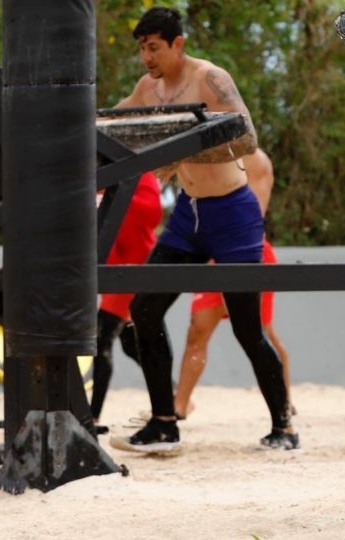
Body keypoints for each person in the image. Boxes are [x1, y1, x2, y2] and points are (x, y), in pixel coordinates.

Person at [108, 7, 296, 455]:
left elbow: (245, 139)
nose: (146, 57)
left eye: (153, 47)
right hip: (188, 216)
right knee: (145, 308)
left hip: (232, 213)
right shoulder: (148, 86)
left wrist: (176, 152)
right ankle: (164, 423)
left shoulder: (209, 79)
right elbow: (115, 122)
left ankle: (283, 426)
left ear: (178, 43)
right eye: (141, 49)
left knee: (248, 329)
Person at [173, 148, 295, 420]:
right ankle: (180, 405)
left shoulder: (255, 160)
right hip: (216, 251)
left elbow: (251, 215)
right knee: (197, 331)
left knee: (259, 333)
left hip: (245, 250)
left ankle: (283, 404)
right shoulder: (208, 157)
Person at [90, 172, 163, 423]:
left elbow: (149, 214)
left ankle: (93, 417)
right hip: (122, 262)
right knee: (132, 343)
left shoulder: (139, 174)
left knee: (102, 340)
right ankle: (173, 393)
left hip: (130, 263)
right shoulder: (117, 173)